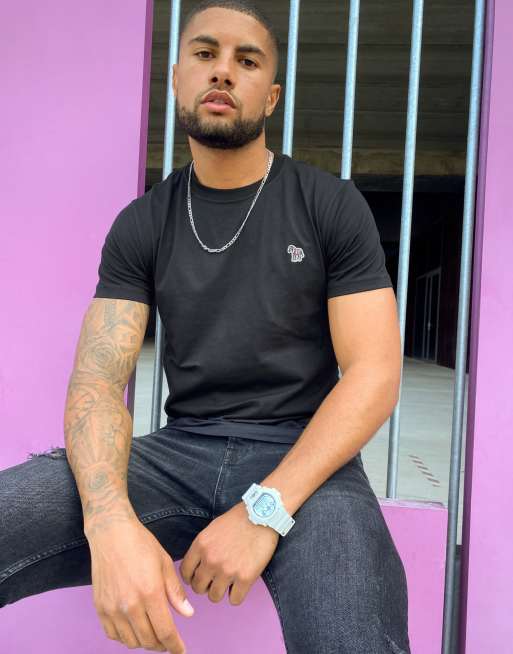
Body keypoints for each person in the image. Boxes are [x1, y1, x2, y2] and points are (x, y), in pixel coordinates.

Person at [0, 1, 411, 652]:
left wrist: (264, 510)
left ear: (270, 96)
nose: (223, 70)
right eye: (204, 53)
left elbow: (374, 373)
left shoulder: (329, 205)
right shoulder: (143, 223)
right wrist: (109, 525)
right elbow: (98, 382)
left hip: (305, 462)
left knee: (350, 631)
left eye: (247, 60)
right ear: (176, 78)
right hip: (177, 456)